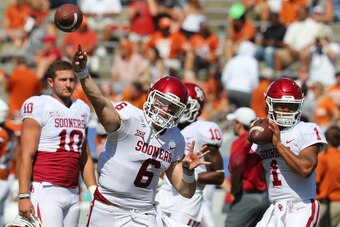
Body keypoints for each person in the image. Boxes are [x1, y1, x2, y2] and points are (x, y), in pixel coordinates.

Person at [72, 46, 210, 227]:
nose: (165, 109)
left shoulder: (175, 139)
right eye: (162, 101)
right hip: (107, 206)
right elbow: (100, 102)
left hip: (143, 212)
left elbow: (185, 190)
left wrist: (189, 173)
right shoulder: (130, 117)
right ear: (152, 97)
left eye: (172, 107)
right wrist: (83, 73)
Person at [229, 77, 328, 226]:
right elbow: (235, 167)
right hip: (275, 207)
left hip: (301, 206)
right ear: (270, 105)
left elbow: (305, 169)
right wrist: (249, 139)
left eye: (291, 106)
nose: (286, 111)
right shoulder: (265, 134)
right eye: (281, 105)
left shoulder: (307, 129)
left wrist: (278, 144)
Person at [18, 60, 97, 227]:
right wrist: (23, 196)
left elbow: (85, 157)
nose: (68, 84)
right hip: (46, 188)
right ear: (50, 82)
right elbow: (26, 155)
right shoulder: (39, 105)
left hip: (73, 191)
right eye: (63, 80)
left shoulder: (82, 109)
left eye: (71, 79)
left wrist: (93, 191)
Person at [156, 83, 225, 226]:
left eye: (185, 105)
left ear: (196, 107)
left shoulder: (203, 130)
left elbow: (219, 176)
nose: (180, 109)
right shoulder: (169, 129)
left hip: (188, 201)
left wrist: (190, 176)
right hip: (163, 195)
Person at [225, 107, 269, 227]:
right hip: (264, 196)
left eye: (234, 122)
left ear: (239, 124)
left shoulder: (239, 142)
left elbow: (236, 171)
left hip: (246, 196)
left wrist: (234, 191)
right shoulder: (261, 140)